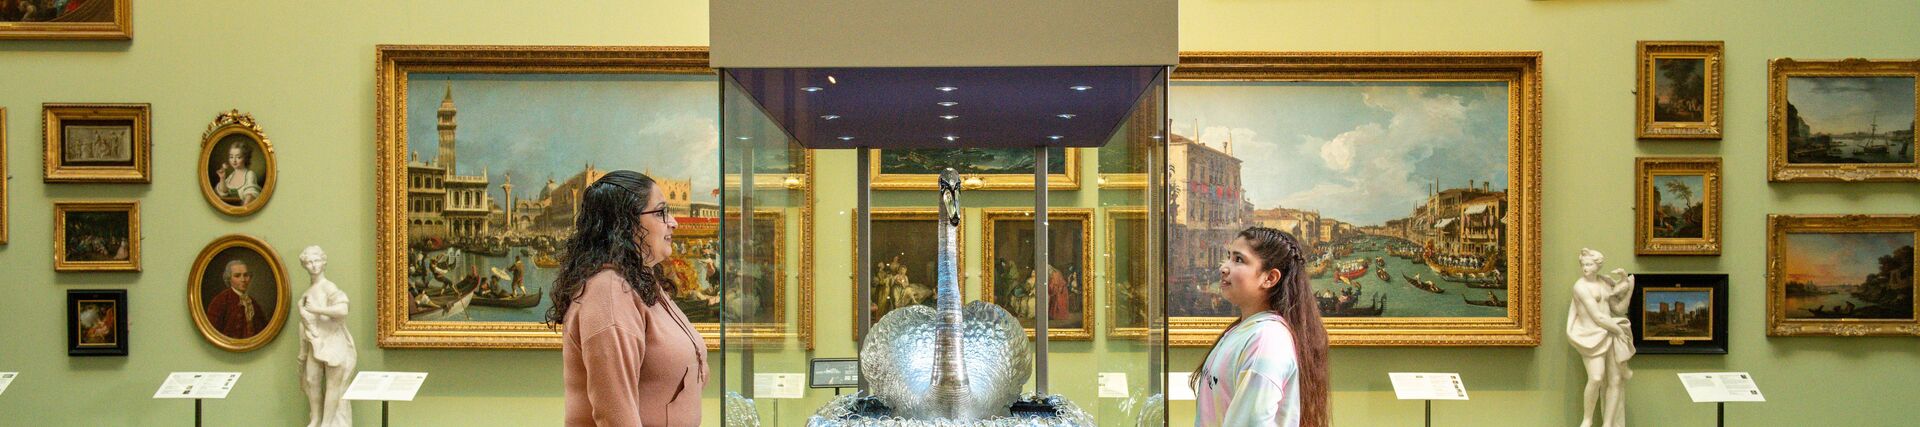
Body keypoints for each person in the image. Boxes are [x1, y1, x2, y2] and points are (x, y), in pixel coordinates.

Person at [546, 171, 706, 426]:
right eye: (661, 212)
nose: (673, 222)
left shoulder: (639, 282)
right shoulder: (609, 293)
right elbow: (616, 418)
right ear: (625, 222)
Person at [1192, 227, 1330, 427]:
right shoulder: (1246, 330)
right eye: (1228, 256)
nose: (1224, 267)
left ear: (1270, 278)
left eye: (1238, 260)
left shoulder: (1267, 339)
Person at [1568, 248, 1634, 427]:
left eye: (1589, 264)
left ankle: (1608, 423)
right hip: (1591, 336)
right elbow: (1598, 317)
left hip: (1609, 333)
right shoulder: (1580, 286)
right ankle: (1587, 418)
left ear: (1597, 265)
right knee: (1596, 377)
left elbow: (1619, 309)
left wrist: (1627, 287)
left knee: (1615, 381)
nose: (1585, 268)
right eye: (1583, 264)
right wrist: (1619, 331)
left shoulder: (1605, 284)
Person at [297, 246, 355, 427]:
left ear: (324, 262)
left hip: (332, 341)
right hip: (315, 341)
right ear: (304, 265)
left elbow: (343, 309)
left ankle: (327, 423)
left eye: (316, 261)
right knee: (311, 380)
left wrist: (317, 310)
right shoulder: (308, 291)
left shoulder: (328, 287)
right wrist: (303, 350)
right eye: (309, 262)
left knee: (333, 385)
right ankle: (315, 419)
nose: (313, 266)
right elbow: (304, 323)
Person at [207, 259, 271, 339]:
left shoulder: (253, 303)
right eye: (237, 276)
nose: (243, 280)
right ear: (229, 278)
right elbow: (212, 333)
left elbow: (264, 332)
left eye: (246, 275)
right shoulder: (220, 301)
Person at [214, 140, 262, 206]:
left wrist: (242, 209)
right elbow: (223, 192)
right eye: (231, 157)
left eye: (238, 157)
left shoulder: (250, 174)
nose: (234, 160)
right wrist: (222, 178)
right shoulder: (231, 175)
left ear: (245, 158)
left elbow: (251, 193)